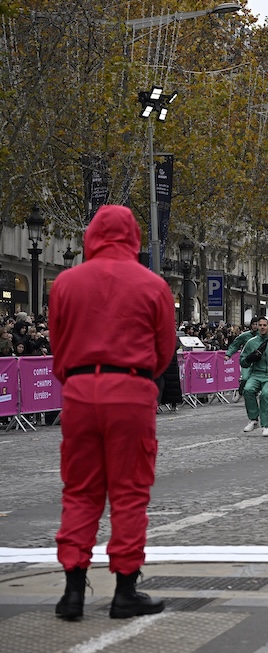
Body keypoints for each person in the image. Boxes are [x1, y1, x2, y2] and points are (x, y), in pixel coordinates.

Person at [49, 204, 176, 620]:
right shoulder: (152, 284)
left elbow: (59, 342)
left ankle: (72, 590)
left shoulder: (65, 282)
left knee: (80, 490)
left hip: (81, 391)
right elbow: (164, 349)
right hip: (131, 388)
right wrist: (141, 376)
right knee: (129, 493)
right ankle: (124, 589)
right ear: (134, 236)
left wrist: (77, 376)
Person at [226, 316, 260, 402]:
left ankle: (254, 395)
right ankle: (240, 392)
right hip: (246, 361)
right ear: (251, 325)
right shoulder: (245, 336)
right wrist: (228, 354)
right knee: (245, 378)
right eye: (254, 324)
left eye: (257, 324)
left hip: (259, 362)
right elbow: (235, 345)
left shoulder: (263, 336)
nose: (255, 326)